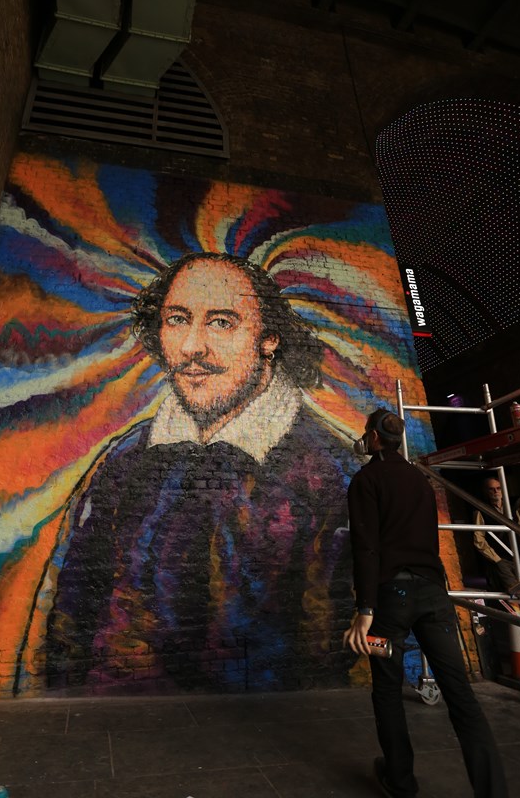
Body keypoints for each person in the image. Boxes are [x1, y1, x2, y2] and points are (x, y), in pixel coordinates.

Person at [44, 252, 352, 690]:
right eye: (177, 320)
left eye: (221, 322)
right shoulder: (125, 460)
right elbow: (70, 614)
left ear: (269, 340)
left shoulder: (327, 472)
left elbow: (334, 642)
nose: (192, 347)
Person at [344, 408, 508, 798]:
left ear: (375, 438)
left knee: (386, 686)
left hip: (390, 604)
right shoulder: (420, 481)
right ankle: (493, 790)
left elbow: (365, 548)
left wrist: (364, 610)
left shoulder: (366, 480)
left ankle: (400, 781)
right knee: (460, 694)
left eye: (367, 433)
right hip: (434, 598)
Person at [473, 477, 520, 593]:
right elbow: (479, 538)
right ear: (486, 492)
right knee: (513, 592)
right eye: (492, 489)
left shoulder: (513, 509)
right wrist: (496, 559)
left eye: (498, 488)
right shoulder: (482, 511)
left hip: (519, 557)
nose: (496, 492)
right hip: (501, 558)